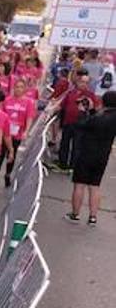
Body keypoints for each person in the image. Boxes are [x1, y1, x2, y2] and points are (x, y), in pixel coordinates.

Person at [68, 91, 116, 225]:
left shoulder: (97, 119)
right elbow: (97, 119)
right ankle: (93, 217)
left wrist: (83, 112)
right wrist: (93, 109)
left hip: (86, 153)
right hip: (102, 156)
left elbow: (82, 125)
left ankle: (75, 214)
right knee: (95, 186)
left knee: (79, 184)